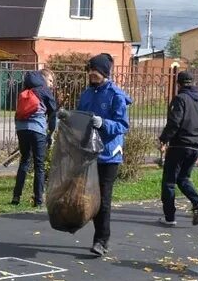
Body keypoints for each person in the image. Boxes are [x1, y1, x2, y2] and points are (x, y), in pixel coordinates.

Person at [59, 53, 131, 257]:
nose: (91, 74)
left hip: (108, 155)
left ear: (104, 72)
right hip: (88, 153)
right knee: (86, 196)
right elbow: (81, 117)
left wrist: (104, 123)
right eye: (90, 71)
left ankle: (101, 240)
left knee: (103, 199)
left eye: (95, 71)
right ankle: (80, 224)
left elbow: (123, 125)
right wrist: (68, 116)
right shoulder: (87, 94)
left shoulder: (116, 96)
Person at [157, 71, 198, 226]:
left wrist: (164, 139)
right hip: (196, 145)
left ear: (178, 84)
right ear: (192, 83)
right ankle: (197, 202)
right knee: (183, 177)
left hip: (180, 144)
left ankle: (169, 217)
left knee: (169, 182)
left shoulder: (180, 99)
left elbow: (175, 122)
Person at [11, 69, 60, 207]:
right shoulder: (44, 91)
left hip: (21, 129)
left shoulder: (24, 91)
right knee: (39, 165)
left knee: (24, 161)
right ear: (43, 78)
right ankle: (38, 200)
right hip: (37, 129)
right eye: (50, 80)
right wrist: (51, 132)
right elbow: (52, 113)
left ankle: (16, 196)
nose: (51, 84)